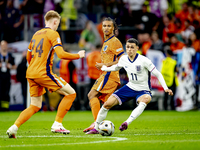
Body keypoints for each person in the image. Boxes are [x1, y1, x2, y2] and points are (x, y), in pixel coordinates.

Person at [6, 10, 85, 138]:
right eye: (58, 24)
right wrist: (78, 55)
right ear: (55, 22)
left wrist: (34, 67)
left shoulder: (36, 34)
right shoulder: (53, 33)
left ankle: (14, 127)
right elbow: (61, 54)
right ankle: (57, 124)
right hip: (43, 73)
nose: (57, 26)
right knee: (71, 93)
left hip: (31, 73)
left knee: (35, 105)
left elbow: (28, 56)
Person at [86, 38, 173, 134]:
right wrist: (104, 67)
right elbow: (116, 67)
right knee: (107, 104)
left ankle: (126, 122)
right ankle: (96, 128)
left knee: (145, 100)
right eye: (127, 47)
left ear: (137, 48)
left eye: (132, 47)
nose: (129, 49)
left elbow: (157, 73)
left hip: (143, 89)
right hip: (130, 87)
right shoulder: (123, 59)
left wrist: (166, 88)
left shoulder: (144, 60)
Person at [83, 17, 124, 133]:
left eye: (109, 26)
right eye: (104, 26)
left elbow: (122, 60)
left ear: (113, 28)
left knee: (91, 95)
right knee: (105, 103)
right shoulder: (105, 41)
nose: (106, 28)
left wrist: (105, 65)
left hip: (110, 75)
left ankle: (96, 124)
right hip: (105, 74)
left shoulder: (115, 41)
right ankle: (97, 124)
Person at [0, 40, 16, 111]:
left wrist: (10, 66)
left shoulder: (10, 56)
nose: (4, 46)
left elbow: (15, 66)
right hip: (0, 77)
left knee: (6, 92)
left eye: (5, 45)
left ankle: (5, 108)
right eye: (2, 45)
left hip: (7, 77)